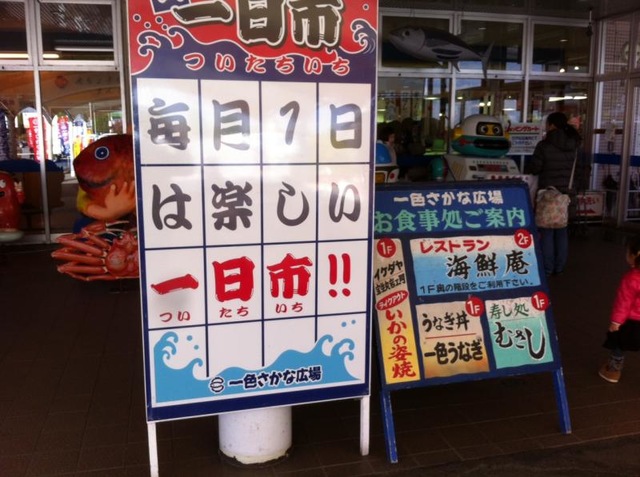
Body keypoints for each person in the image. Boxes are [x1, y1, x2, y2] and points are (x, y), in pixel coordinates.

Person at [525, 112, 584, 276]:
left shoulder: (544, 145)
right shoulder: (575, 145)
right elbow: (580, 171)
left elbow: (535, 168)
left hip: (548, 195)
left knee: (547, 231)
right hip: (567, 196)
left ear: (551, 125)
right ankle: (559, 267)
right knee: (562, 231)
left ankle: (547, 267)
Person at [599, 235, 640, 383]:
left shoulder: (631, 278)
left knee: (619, 343)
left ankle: (613, 371)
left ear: (633, 256)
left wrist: (616, 322)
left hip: (632, 321)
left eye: (627, 252)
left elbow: (624, 303)